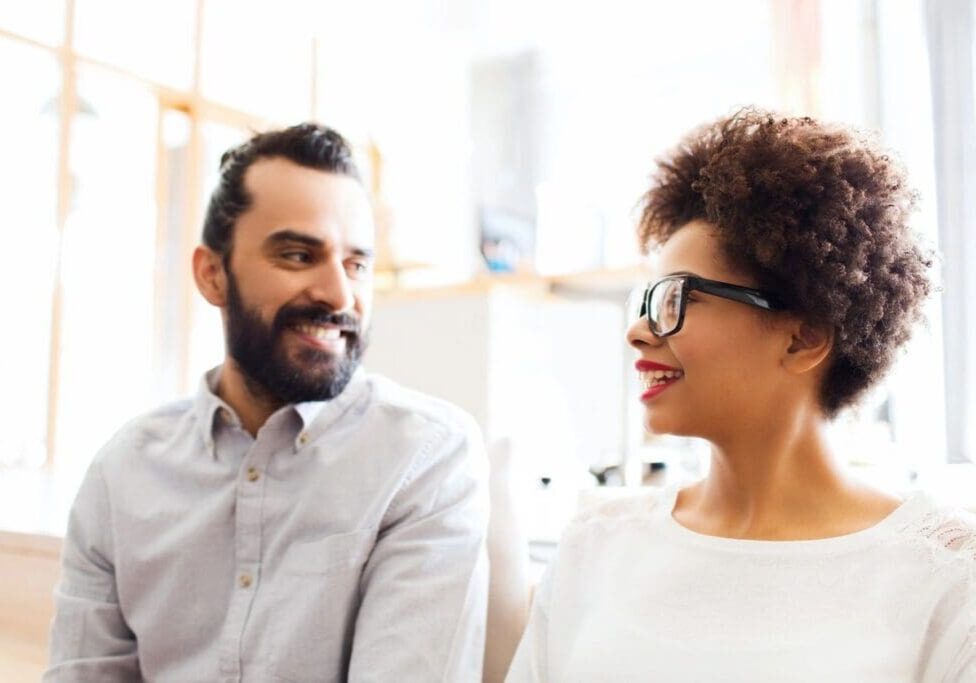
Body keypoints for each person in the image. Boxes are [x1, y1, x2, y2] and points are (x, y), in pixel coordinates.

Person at [506, 108, 976, 681]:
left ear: (803, 337)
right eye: (645, 299)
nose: (638, 329)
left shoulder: (947, 581)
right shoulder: (595, 551)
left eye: (676, 298)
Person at [45, 123, 489, 682]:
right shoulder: (123, 471)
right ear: (212, 275)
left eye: (356, 264)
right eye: (299, 255)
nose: (338, 294)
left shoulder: (424, 457)